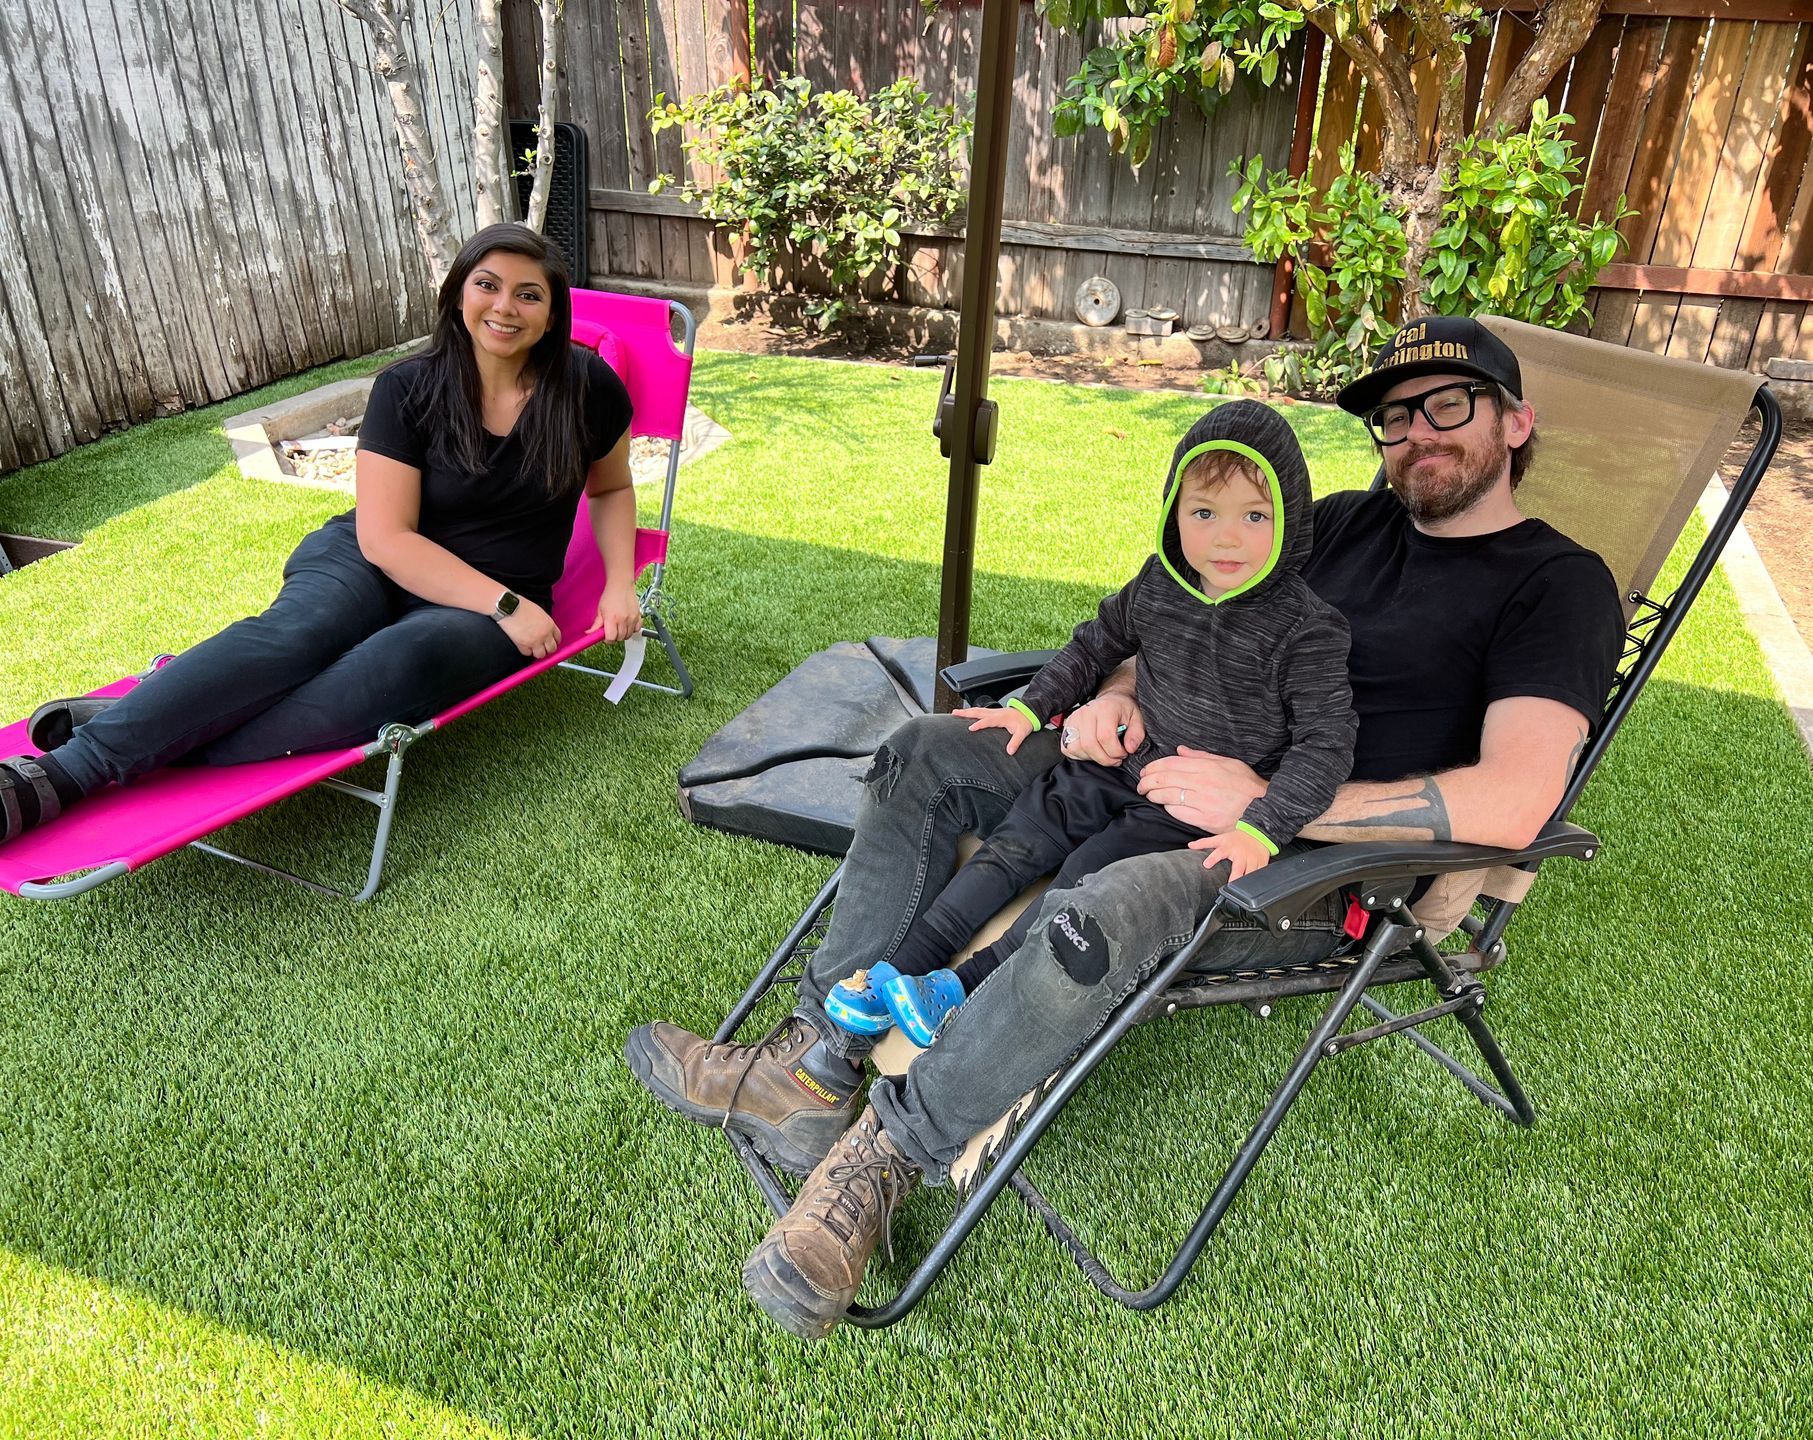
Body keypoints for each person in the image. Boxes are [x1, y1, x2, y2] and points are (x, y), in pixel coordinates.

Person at [625, 314, 1626, 1339]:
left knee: (1099, 906)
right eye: (1395, 417)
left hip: (1312, 865)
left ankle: (887, 1152)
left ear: (1516, 422)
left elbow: (1517, 799)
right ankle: (814, 1059)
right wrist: (1120, 692)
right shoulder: (1339, 526)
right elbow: (1196, 611)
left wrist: (1269, 804)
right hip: (1149, 766)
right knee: (922, 753)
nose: (1417, 432)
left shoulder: (1558, 584)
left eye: (1448, 406)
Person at [0, 225, 641, 845]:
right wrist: (509, 608)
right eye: (487, 285)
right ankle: (62, 774)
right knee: (298, 638)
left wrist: (618, 586)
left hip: (488, 597)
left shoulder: (587, 390)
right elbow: (388, 539)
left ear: (553, 315)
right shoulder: (408, 388)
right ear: (458, 296)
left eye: (529, 294)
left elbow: (610, 489)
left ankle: (144, 717)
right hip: (372, 559)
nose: (505, 307)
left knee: (384, 674)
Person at [823, 401, 1354, 1047]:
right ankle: (905, 966)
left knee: (1085, 873)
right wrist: (1027, 705)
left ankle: (964, 988)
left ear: (1291, 522)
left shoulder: (1307, 629)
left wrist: (1262, 830)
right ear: (1173, 514)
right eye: (1205, 513)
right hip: (1112, 764)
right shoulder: (1159, 584)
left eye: (1255, 516)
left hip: (1181, 805)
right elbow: (1092, 647)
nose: (1227, 538)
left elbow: (1327, 745)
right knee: (1021, 837)